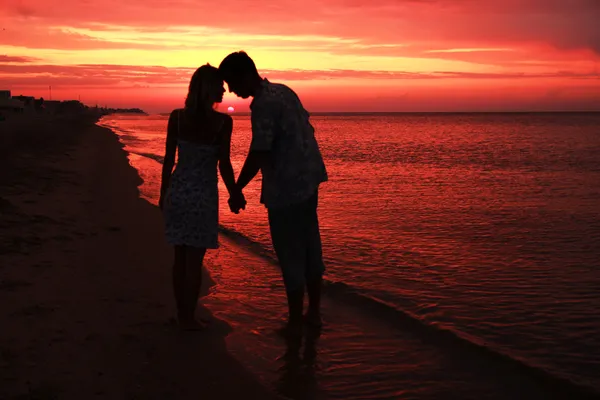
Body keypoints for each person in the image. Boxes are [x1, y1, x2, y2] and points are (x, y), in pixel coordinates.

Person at [218, 51, 328, 336]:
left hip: (286, 189)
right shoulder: (285, 92)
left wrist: (236, 189)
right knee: (310, 245)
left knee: (290, 252)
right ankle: (313, 313)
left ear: (245, 74)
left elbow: (259, 153)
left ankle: (294, 322)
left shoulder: (263, 105)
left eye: (231, 82)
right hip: (309, 182)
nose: (230, 90)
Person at [159, 64, 246, 331]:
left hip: (179, 191)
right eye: (219, 86)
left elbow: (168, 161)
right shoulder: (223, 122)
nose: (223, 90)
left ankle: (181, 315)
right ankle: (188, 318)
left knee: (179, 259)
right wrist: (234, 192)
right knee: (194, 262)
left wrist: (164, 195)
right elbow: (224, 164)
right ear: (208, 88)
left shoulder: (176, 118)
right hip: (203, 197)